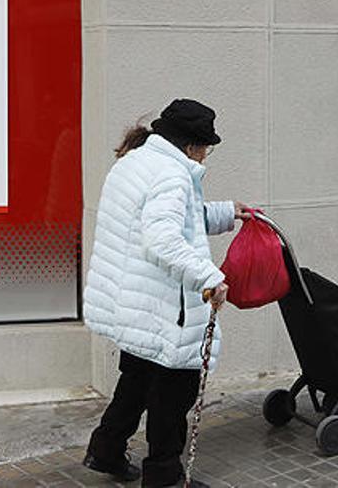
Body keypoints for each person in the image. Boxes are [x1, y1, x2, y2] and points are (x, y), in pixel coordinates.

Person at [81, 99, 251, 487]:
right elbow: (161, 239)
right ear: (192, 145)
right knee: (173, 393)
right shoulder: (172, 176)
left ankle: (105, 450)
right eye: (207, 147)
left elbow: (174, 219)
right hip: (163, 306)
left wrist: (226, 212)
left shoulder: (136, 162)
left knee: (137, 380)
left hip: (134, 301)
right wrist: (209, 276)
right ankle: (164, 476)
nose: (208, 154)